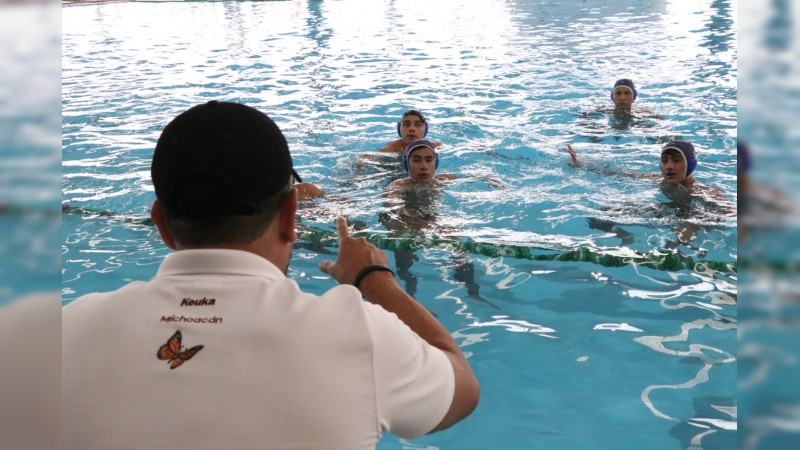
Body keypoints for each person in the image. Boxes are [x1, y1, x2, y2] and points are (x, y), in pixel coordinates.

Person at [62, 101, 479, 450]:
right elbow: (462, 388)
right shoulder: (359, 333)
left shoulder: (62, 330)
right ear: (291, 215)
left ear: (160, 222)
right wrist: (374, 280)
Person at [377, 110, 443, 153]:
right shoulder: (391, 149)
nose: (412, 129)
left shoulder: (435, 147)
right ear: (399, 129)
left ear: (425, 129)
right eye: (407, 124)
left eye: (417, 125)